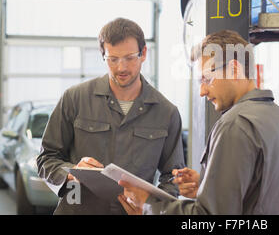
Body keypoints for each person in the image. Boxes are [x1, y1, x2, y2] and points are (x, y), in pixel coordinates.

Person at [118, 29, 279, 215]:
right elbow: (258, 194)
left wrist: (148, 206)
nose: (202, 91)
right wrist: (209, 186)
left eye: (207, 79)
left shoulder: (235, 124)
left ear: (233, 69)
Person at [36, 17, 185, 214]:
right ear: (103, 56)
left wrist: (151, 209)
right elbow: (46, 158)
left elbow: (172, 177)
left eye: (130, 57)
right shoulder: (75, 98)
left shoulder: (166, 112)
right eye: (113, 59)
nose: (121, 68)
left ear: (144, 54)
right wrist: (71, 172)